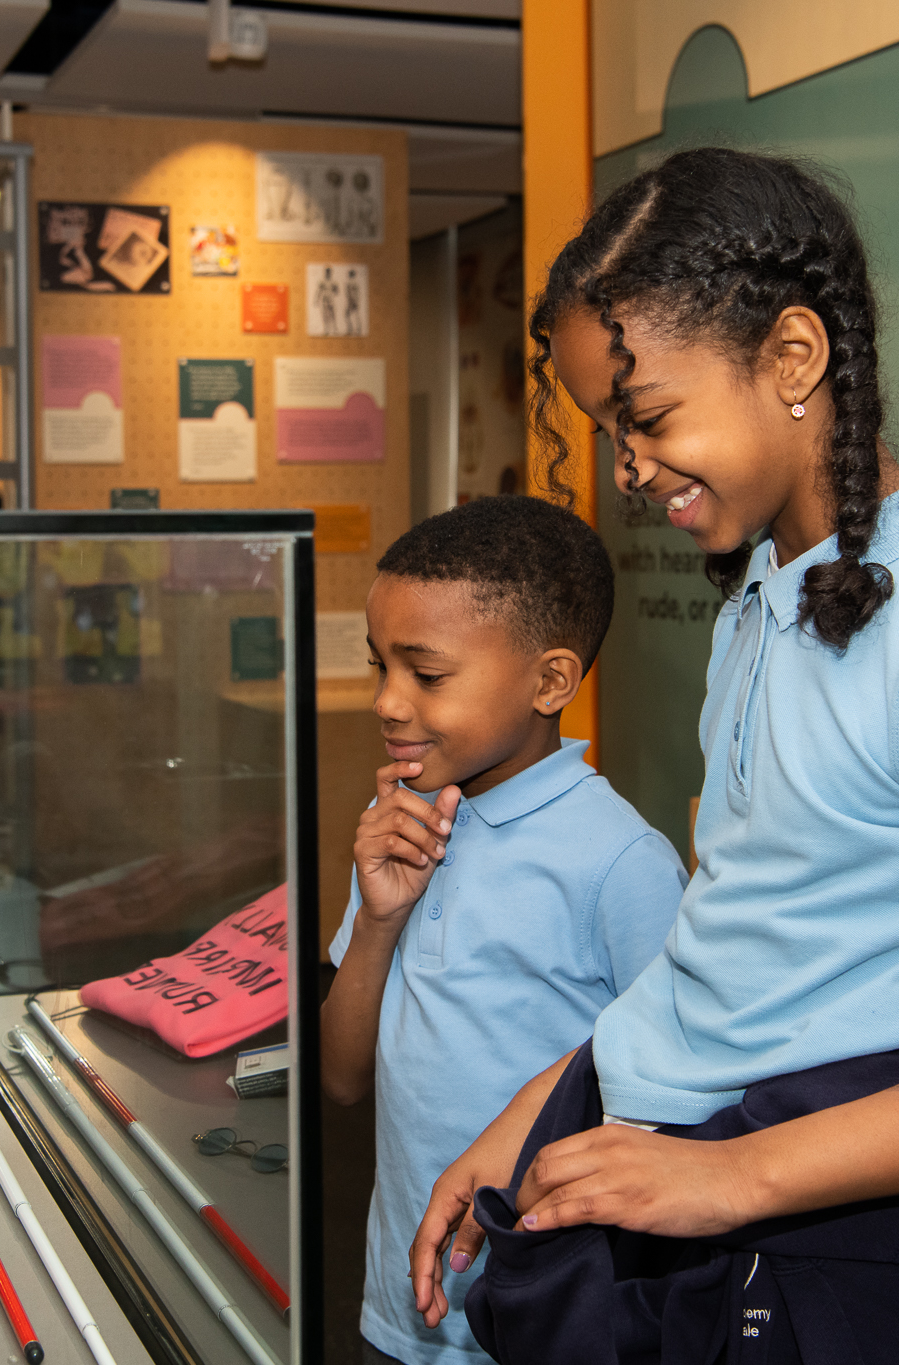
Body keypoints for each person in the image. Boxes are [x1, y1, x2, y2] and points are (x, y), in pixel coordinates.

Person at [407, 147, 899, 1361]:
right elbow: (735, 950)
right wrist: (526, 1121)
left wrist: (732, 1177)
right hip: (713, 1210)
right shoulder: (761, 589)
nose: (627, 467)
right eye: (609, 430)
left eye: (644, 417)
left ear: (791, 358)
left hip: (849, 1267)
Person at [323, 497, 689, 1365]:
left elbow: (677, 1099)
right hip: (400, 1313)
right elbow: (340, 1078)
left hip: (553, 1326)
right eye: (380, 667)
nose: (386, 701)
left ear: (550, 681)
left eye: (427, 673)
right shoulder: (397, 826)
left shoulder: (624, 862)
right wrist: (379, 920)